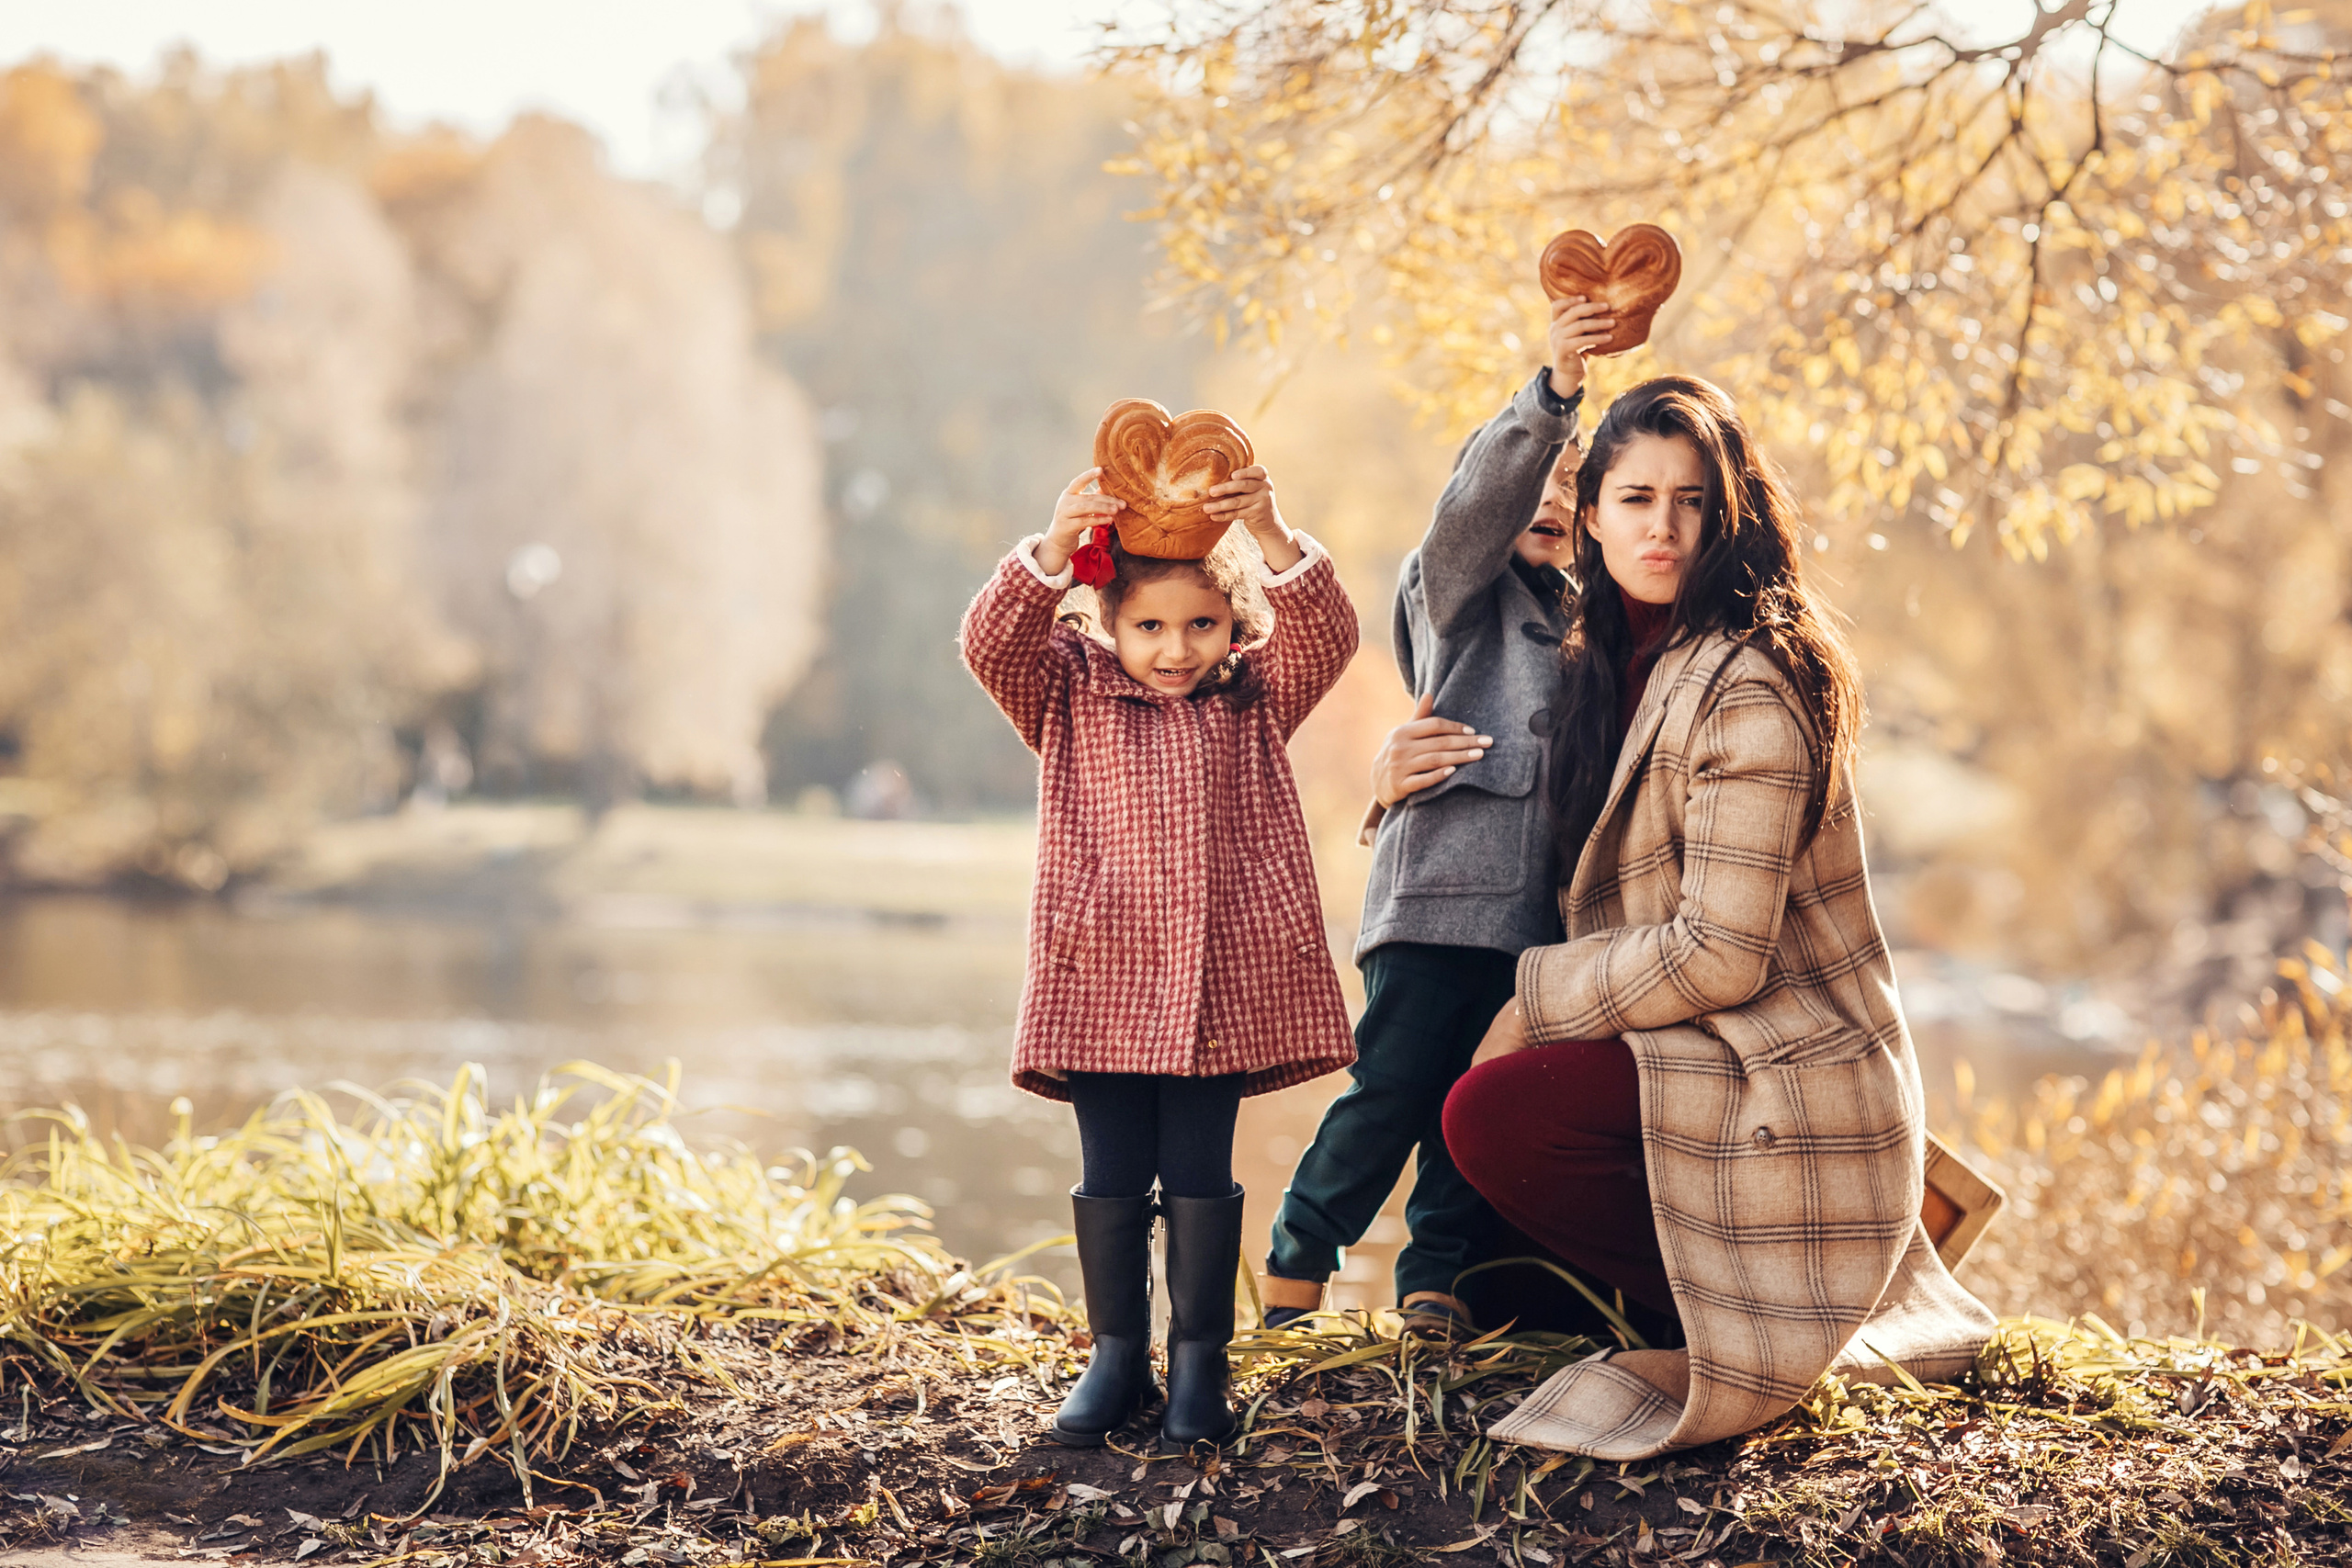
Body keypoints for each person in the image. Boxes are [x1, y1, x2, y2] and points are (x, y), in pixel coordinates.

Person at [1441, 376, 1995, 1460]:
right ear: (1591, 515)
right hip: (1695, 1038)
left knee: (1496, 1115)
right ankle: (1685, 1297)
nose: (1663, 527)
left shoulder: (1746, 680)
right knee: (1485, 1212)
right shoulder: (1611, 657)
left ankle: (1774, 1305)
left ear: (1728, 515)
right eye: (1637, 498)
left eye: (1691, 501)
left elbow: (1721, 953)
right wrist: (1393, 775)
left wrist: (1533, 1001)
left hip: (1779, 1055)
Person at [958, 457, 1359, 1450]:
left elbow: (1327, 632)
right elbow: (989, 641)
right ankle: (1115, 1355)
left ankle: (1199, 1361)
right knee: (1111, 1169)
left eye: (1201, 624)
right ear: (1107, 621)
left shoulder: (1255, 695)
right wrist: (1056, 548)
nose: (1175, 648)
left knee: (1198, 1168)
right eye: (1149, 626)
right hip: (1100, 965)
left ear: (1233, 623)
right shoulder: (1066, 687)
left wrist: (1271, 532)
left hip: (1217, 976)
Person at [1257, 294, 1617, 1338]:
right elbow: (1476, 505)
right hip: (1435, 905)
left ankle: (1432, 1288)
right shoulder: (1457, 591)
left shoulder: (1586, 622)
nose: (1550, 497)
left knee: (1473, 1106)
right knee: (1391, 1094)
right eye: (1536, 477)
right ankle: (1293, 1272)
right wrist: (1554, 398)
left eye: (1572, 486)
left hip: (1534, 930)